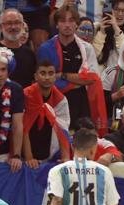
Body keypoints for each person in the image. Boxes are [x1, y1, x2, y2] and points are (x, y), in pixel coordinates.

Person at [37, 5, 107, 133]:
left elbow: (92, 78)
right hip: (55, 104)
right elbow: (45, 80)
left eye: (71, 21)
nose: (67, 25)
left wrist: (62, 75)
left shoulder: (86, 48)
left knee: (81, 146)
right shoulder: (46, 48)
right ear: (57, 24)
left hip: (81, 105)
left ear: (76, 24)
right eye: (63, 21)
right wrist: (77, 81)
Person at [22, 60, 71, 169]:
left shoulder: (61, 100)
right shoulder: (25, 96)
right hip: (25, 150)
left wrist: (65, 157)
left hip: (48, 150)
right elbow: (23, 128)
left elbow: (63, 130)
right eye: (43, 73)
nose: (47, 77)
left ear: (55, 77)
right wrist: (29, 158)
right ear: (36, 76)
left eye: (51, 73)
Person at [93, 0, 124, 71]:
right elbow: (92, 56)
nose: (120, 14)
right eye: (116, 10)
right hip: (100, 77)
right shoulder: (96, 27)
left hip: (121, 76)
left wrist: (116, 29)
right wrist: (102, 33)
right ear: (109, 11)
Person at [0, 47, 24, 173]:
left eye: (3, 69)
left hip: (4, 153)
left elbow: (17, 125)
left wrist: (16, 155)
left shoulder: (15, 89)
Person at [0, 9, 36, 88]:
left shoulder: (29, 54)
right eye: (9, 23)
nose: (13, 27)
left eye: (17, 23)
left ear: (22, 26)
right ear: (0, 27)